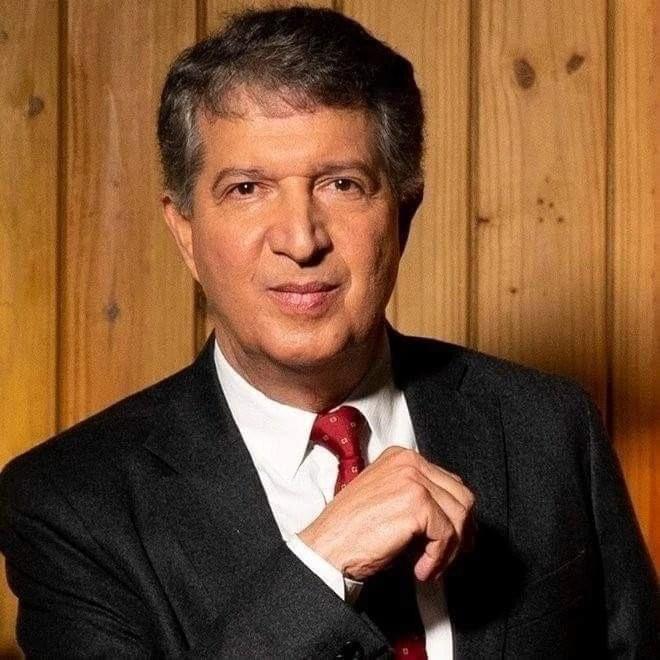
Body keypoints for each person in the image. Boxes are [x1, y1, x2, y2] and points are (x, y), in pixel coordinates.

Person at [0, 6, 657, 659]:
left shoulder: (549, 428)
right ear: (186, 233)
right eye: (248, 189)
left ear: (402, 215)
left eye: (342, 184)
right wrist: (321, 565)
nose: (300, 239)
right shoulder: (71, 505)